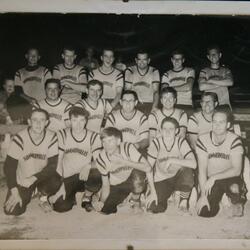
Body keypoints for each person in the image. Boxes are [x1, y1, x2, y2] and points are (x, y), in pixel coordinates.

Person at [3, 108, 62, 216]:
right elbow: (9, 166)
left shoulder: (51, 136)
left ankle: (43, 196)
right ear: (29, 122)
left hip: (41, 178)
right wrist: (14, 190)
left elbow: (52, 165)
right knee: (13, 211)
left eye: (42, 120)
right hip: (23, 181)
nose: (38, 124)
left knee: (56, 180)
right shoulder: (20, 138)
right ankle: (33, 192)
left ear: (47, 122)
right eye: (35, 120)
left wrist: (33, 178)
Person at [50, 107, 102, 213]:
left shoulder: (94, 136)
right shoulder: (62, 134)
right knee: (60, 207)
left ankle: (87, 196)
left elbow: (100, 162)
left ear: (86, 121)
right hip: (67, 177)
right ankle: (71, 196)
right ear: (69, 120)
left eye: (82, 120)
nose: (78, 125)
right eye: (74, 120)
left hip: (84, 176)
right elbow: (58, 162)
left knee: (96, 174)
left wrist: (88, 166)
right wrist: (61, 185)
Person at [196, 109, 246, 217]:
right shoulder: (202, 140)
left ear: (228, 124)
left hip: (230, 176)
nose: (217, 125)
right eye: (215, 122)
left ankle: (232, 197)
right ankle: (221, 198)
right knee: (204, 212)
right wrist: (203, 196)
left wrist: (214, 177)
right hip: (210, 179)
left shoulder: (235, 140)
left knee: (235, 190)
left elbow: (236, 170)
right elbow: (202, 170)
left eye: (221, 122)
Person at [93, 127, 156, 214]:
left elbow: (148, 168)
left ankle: (135, 199)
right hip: (118, 184)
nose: (107, 145)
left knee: (139, 175)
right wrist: (102, 202)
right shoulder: (101, 159)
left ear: (118, 141)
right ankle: (127, 195)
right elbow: (105, 185)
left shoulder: (128, 147)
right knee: (105, 210)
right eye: (104, 142)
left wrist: (124, 162)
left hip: (131, 178)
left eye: (110, 141)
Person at [147, 117, 196, 213]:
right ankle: (171, 193)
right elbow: (148, 169)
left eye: (171, 129)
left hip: (178, 176)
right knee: (154, 207)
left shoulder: (181, 141)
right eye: (165, 129)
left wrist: (172, 160)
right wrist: (152, 191)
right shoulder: (156, 143)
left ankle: (183, 201)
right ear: (160, 130)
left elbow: (194, 164)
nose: (168, 132)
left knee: (187, 169)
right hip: (162, 179)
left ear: (176, 131)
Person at [161, 50, 195, 116]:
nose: (176, 61)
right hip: (171, 105)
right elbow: (164, 90)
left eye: (179, 59)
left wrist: (169, 89)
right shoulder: (166, 74)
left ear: (183, 60)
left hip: (186, 105)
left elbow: (188, 87)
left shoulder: (190, 71)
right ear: (171, 60)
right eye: (174, 59)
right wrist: (182, 87)